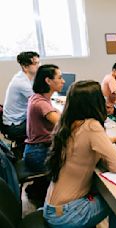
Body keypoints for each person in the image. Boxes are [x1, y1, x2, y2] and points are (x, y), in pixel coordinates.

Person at [44, 80, 116, 228]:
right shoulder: (91, 126)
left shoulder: (66, 122)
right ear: (95, 102)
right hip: (67, 214)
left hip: (52, 208)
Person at [23, 64, 64, 207]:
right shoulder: (41, 103)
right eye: (60, 77)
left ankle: (37, 189)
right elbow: (63, 126)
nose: (63, 81)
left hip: (33, 151)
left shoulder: (38, 98)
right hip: (39, 154)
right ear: (48, 81)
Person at [2, 51, 40, 144]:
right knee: (46, 124)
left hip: (19, 120)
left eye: (39, 62)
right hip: (15, 126)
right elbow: (39, 102)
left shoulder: (26, 77)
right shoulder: (21, 82)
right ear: (25, 67)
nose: (39, 66)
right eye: (35, 64)